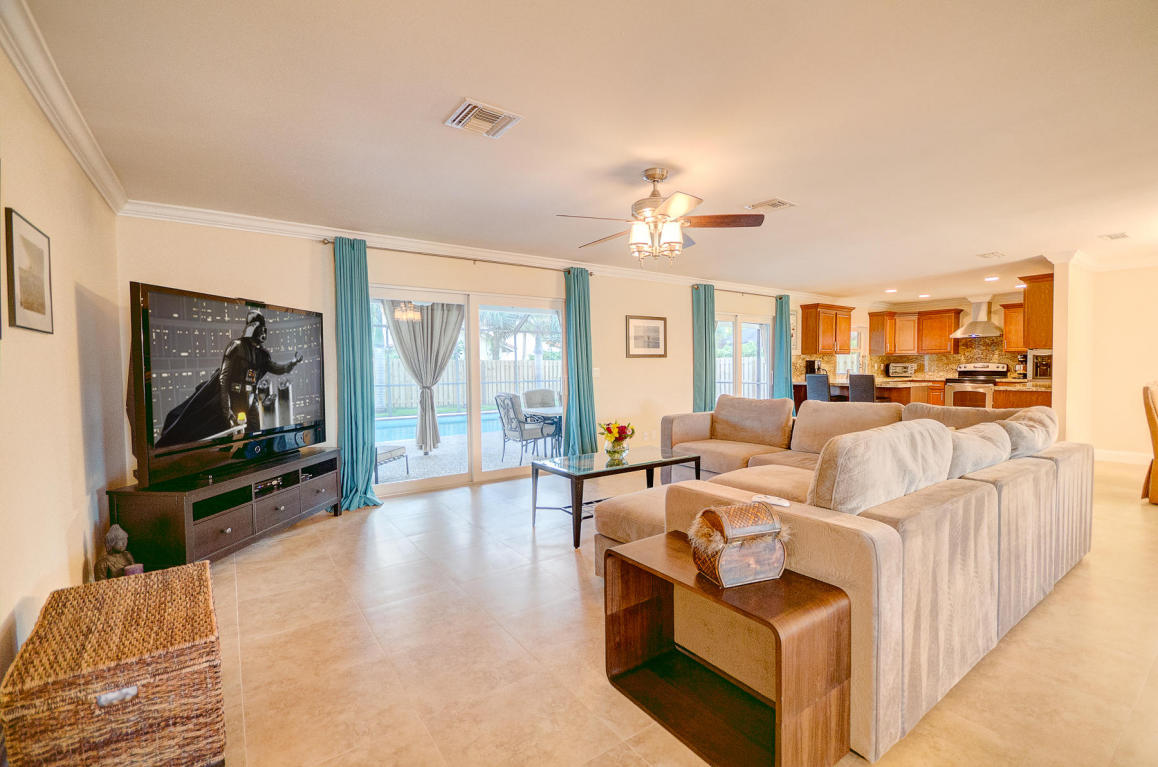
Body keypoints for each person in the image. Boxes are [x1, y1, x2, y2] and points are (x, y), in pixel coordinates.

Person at [156, 311, 303, 447]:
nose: (263, 333)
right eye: (260, 328)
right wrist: (227, 411)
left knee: (255, 437)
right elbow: (224, 380)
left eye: (264, 329)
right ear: (253, 328)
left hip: (250, 398)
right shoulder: (236, 347)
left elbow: (277, 368)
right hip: (233, 398)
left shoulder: (262, 355)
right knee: (230, 438)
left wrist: (293, 362)